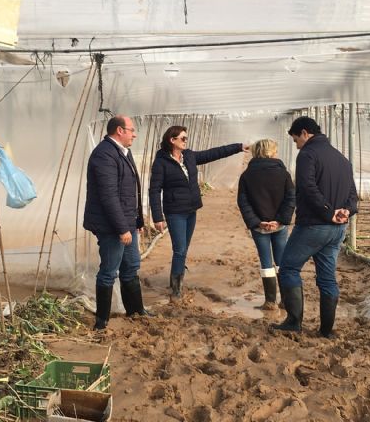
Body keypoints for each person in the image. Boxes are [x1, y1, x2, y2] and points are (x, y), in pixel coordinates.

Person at [271, 116, 357, 338]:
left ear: (304, 133)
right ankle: (326, 330)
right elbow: (352, 195)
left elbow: (307, 187)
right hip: (337, 229)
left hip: (313, 225)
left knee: (289, 268)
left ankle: (293, 321)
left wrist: (328, 211)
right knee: (327, 278)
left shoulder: (308, 154)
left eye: (295, 140)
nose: (296, 145)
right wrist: (346, 210)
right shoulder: (341, 159)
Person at [149, 125, 247, 300]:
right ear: (172, 140)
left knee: (183, 248)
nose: (186, 141)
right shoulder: (161, 162)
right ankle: (176, 289)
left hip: (191, 210)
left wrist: (238, 147)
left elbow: (213, 153)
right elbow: (154, 190)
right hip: (175, 212)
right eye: (183, 138)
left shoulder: (189, 157)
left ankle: (176, 280)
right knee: (179, 249)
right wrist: (157, 217)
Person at [83, 115, 149, 330]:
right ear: (119, 130)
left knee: (131, 267)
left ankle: (136, 311)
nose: (134, 134)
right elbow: (108, 196)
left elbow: (131, 191)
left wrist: (136, 220)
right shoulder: (104, 154)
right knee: (109, 271)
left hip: (126, 222)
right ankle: (102, 322)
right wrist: (122, 228)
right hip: (111, 226)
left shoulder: (122, 152)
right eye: (131, 130)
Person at [237, 139, 295, 310]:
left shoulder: (247, 176)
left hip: (259, 226)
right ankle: (286, 300)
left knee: (266, 261)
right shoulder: (283, 174)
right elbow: (290, 198)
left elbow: (243, 202)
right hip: (280, 226)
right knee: (282, 261)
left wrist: (257, 221)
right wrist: (280, 220)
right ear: (271, 152)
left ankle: (270, 302)